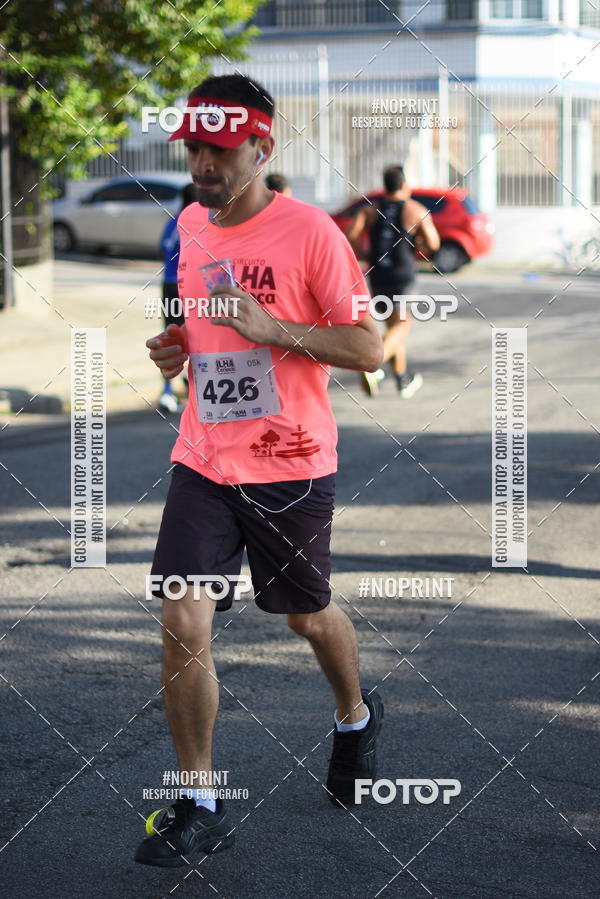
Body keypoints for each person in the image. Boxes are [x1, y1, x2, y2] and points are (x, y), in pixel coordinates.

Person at [135, 73, 385, 868]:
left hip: (291, 463)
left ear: (261, 147)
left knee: (307, 616)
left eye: (218, 149)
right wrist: (177, 351)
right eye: (194, 149)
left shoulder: (312, 233)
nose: (202, 163)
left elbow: (368, 348)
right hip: (205, 454)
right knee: (183, 615)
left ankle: (355, 713)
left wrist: (275, 325)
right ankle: (199, 800)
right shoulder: (190, 227)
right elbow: (196, 329)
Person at [345, 165, 440, 398]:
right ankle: (373, 365)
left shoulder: (370, 210)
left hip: (378, 274)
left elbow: (350, 235)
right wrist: (420, 248)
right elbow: (434, 242)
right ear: (404, 185)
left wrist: (366, 254)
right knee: (401, 326)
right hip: (402, 274)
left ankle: (402, 378)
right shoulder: (415, 209)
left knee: (392, 328)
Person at [157, 182, 197, 413]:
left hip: (167, 284)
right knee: (193, 335)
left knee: (171, 336)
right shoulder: (195, 222)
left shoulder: (172, 221)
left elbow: (161, 248)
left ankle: (167, 390)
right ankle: (191, 391)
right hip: (185, 286)